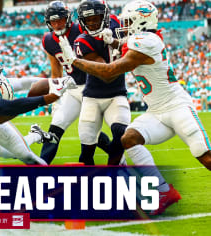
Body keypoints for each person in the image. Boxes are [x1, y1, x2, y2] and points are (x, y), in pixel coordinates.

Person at [59, 0, 211, 215]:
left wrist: (74, 60)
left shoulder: (145, 41)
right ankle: (163, 191)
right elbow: (122, 49)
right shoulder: (142, 39)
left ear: (141, 22)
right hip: (157, 111)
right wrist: (112, 43)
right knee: (129, 139)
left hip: (177, 107)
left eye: (129, 21)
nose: (124, 25)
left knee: (204, 156)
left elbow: (109, 71)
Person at [41, 0, 111, 164]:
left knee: (88, 130)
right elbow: (56, 69)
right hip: (73, 88)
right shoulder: (48, 40)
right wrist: (56, 95)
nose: (57, 24)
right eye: (53, 21)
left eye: (60, 20)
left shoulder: (81, 28)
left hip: (92, 86)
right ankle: (40, 166)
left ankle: (117, 155)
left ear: (68, 18)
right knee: (56, 125)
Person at [73, 0, 130, 165]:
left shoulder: (116, 23)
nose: (91, 23)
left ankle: (115, 171)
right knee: (87, 150)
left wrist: (114, 42)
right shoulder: (82, 40)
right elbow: (106, 73)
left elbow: (134, 42)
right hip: (93, 97)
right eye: (88, 20)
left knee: (121, 132)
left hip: (117, 93)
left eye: (95, 18)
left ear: (105, 16)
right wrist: (122, 55)